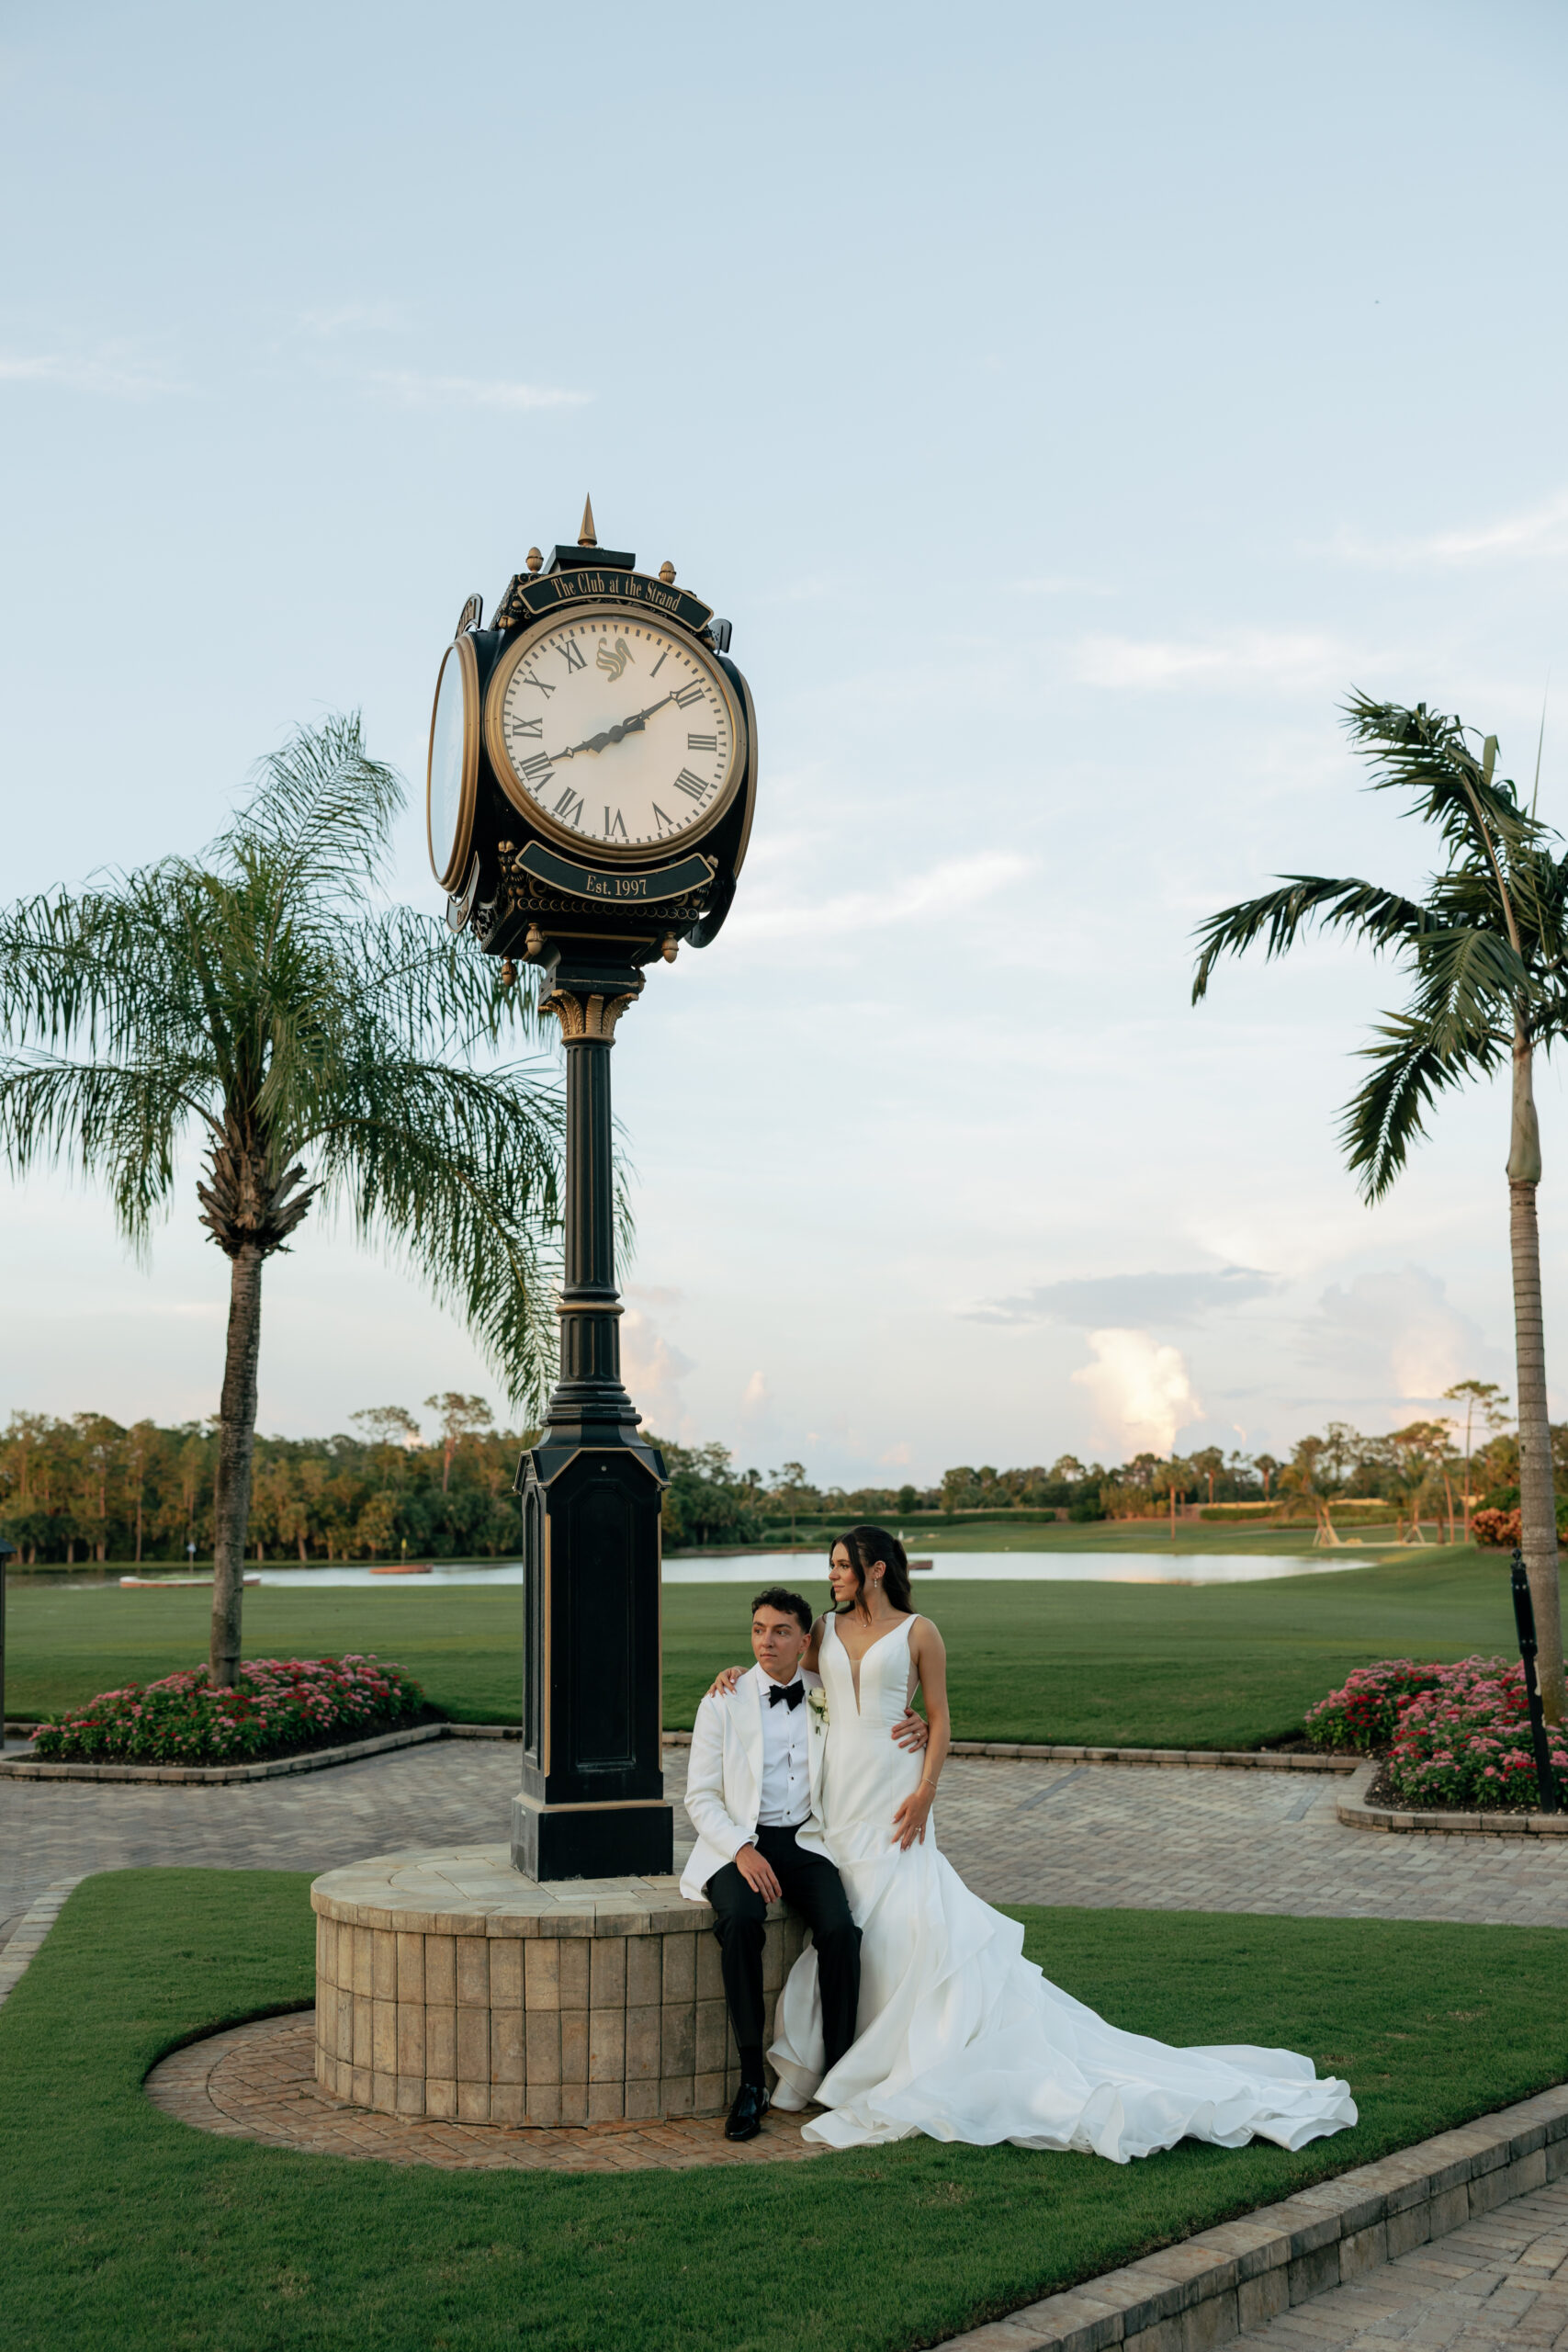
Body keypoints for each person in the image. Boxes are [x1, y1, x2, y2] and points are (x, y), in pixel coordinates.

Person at [711, 1528, 1358, 2162]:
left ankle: (897, 2054)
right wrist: (738, 1674)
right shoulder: (821, 1627)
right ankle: (850, 2054)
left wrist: (927, 1789)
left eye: (842, 1565)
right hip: (838, 1790)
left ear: (876, 1569)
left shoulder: (919, 1631)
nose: (833, 1575)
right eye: (831, 1567)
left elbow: (939, 1717)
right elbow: (791, 1675)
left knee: (904, 1911)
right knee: (851, 1913)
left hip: (894, 1783)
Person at [680, 1584, 926, 2142]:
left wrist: (925, 1726)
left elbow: (876, 1730)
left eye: (781, 1631)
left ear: (806, 1639)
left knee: (842, 1931)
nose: (766, 1642)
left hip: (807, 1841)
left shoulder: (825, 1693)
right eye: (758, 1630)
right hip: (736, 1844)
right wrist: (742, 1850)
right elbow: (699, 1797)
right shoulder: (724, 1697)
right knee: (741, 1923)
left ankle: (839, 2075)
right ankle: (750, 2083)